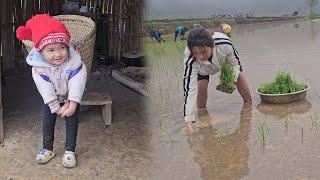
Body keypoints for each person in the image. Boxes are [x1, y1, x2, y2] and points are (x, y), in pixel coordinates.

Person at [16, 14, 87, 168]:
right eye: (51, 50)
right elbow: (45, 87)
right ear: (41, 52)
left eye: (62, 48)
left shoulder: (75, 62)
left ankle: (69, 151)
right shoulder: (39, 67)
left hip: (70, 98)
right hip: (51, 99)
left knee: (72, 123)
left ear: (67, 47)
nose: (58, 54)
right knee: (48, 122)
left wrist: (73, 103)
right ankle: (48, 148)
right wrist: (55, 107)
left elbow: (78, 80)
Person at [183, 27, 252, 133]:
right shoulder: (190, 57)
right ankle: (205, 122)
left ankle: (249, 108)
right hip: (203, 70)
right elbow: (189, 89)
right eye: (196, 53)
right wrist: (188, 121)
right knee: (201, 101)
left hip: (224, 63)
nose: (200, 56)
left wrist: (231, 81)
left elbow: (235, 65)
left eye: (204, 52)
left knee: (241, 81)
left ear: (212, 46)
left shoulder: (224, 43)